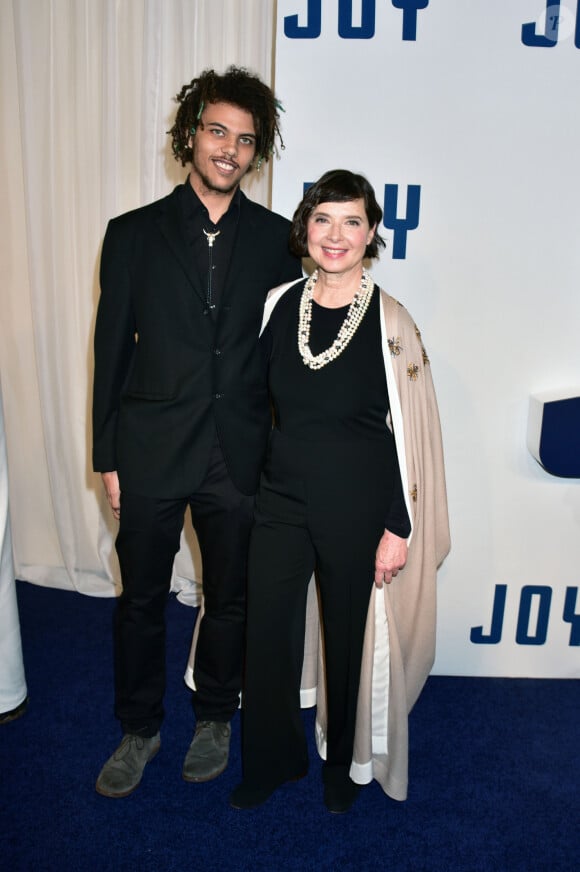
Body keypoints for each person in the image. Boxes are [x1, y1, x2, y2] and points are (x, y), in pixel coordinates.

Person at [92, 66, 302, 798]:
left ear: (257, 153)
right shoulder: (132, 235)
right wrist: (108, 456)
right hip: (150, 448)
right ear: (191, 135)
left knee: (231, 597)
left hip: (239, 454)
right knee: (141, 598)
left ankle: (216, 713)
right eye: (218, 132)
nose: (230, 150)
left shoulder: (282, 243)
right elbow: (111, 350)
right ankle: (139, 727)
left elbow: (286, 359)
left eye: (246, 141)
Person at [230, 169, 450, 814]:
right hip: (281, 498)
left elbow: (414, 437)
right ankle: (271, 760)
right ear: (306, 226)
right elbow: (249, 405)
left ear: (372, 233)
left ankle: (341, 768)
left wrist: (398, 526)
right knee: (266, 634)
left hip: (359, 505)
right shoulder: (277, 304)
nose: (336, 234)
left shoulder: (393, 322)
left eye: (352, 221)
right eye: (324, 218)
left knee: (349, 639)